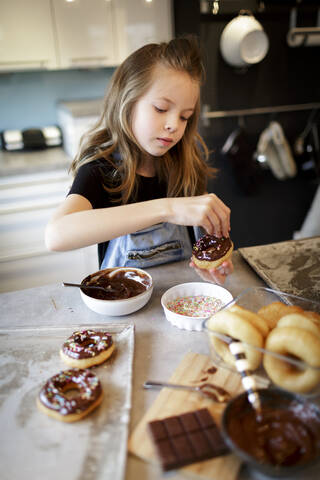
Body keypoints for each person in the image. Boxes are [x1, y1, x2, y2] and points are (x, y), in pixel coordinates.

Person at [45, 36, 233, 285]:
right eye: (160, 109)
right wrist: (168, 208)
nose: (173, 125)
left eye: (185, 116)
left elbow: (198, 243)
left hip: (180, 302)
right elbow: (56, 235)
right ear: (127, 102)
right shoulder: (102, 171)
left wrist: (210, 262)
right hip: (123, 310)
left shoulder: (186, 166)